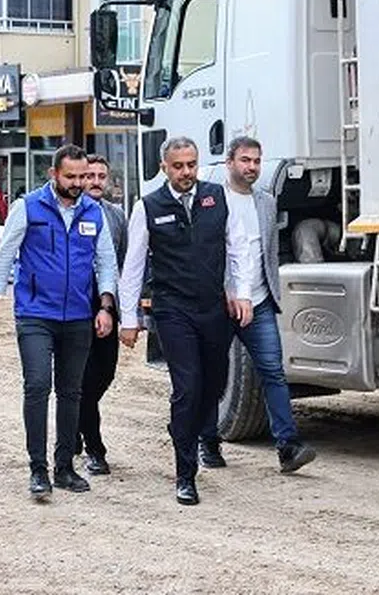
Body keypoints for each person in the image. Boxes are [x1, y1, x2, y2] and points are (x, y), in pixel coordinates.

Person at [0, 145, 118, 500]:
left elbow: (106, 263)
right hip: (35, 315)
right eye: (70, 176)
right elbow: (5, 257)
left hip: (78, 317)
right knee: (38, 385)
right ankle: (38, 469)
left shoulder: (93, 212)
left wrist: (105, 307)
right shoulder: (28, 207)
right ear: (53, 174)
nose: (78, 183)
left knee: (71, 392)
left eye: (82, 176)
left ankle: (64, 467)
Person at [118, 136, 230, 506]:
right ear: (164, 167)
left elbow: (236, 247)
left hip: (213, 308)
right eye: (178, 166)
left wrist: (240, 291)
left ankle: (184, 427)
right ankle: (185, 474)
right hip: (172, 309)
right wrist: (129, 317)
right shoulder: (148, 206)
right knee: (188, 387)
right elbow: (133, 265)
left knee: (214, 384)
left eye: (191, 165)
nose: (186, 172)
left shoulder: (217, 196)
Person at [212, 135, 316, 474]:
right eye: (245, 160)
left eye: (256, 161)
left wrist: (270, 293)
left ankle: (288, 446)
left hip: (259, 303)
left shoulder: (267, 203)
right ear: (229, 162)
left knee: (273, 372)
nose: (252, 167)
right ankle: (207, 442)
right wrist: (224, 291)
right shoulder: (213, 200)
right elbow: (211, 253)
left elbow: (268, 251)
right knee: (213, 376)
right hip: (221, 304)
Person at [76, 155, 128, 475]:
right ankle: (95, 448)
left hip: (108, 304)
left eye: (101, 176)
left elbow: (124, 262)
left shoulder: (116, 215)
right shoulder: (71, 211)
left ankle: (75, 421)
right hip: (76, 305)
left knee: (104, 373)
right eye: (90, 175)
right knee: (81, 379)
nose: (96, 181)